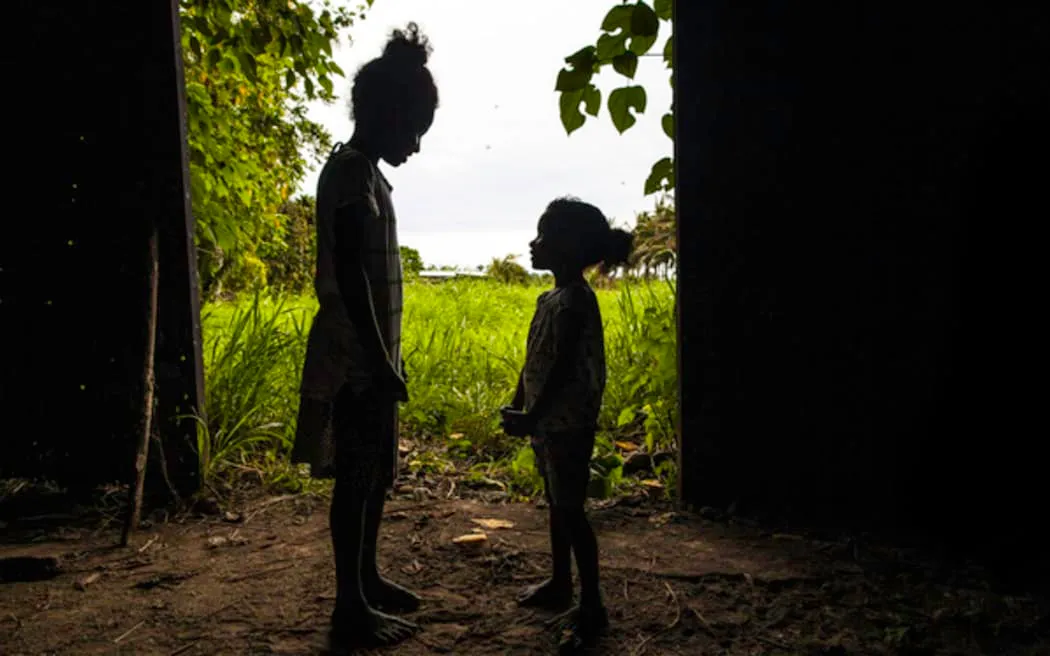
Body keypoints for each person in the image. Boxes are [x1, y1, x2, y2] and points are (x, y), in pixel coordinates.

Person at [290, 22, 438, 652]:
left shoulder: (371, 177)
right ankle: (349, 604)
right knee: (354, 477)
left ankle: (368, 579)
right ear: (384, 115)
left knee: (374, 474)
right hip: (356, 360)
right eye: (413, 132)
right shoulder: (351, 173)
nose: (416, 146)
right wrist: (379, 360)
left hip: (374, 358)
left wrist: (386, 358)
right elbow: (351, 277)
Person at [501, 197, 633, 651]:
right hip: (547, 422)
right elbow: (534, 358)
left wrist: (532, 414)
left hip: (569, 423)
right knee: (557, 503)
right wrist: (520, 404)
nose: (534, 243)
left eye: (544, 235)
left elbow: (560, 369)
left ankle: (592, 603)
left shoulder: (577, 301)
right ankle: (561, 583)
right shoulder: (549, 298)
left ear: (571, 246)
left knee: (572, 510)